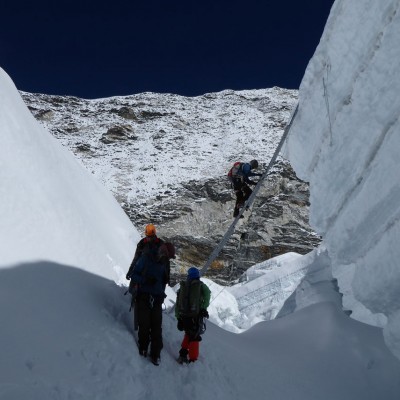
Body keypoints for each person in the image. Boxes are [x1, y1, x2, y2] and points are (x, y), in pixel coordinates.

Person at [129, 243, 171, 366]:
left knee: (156, 327)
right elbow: (134, 275)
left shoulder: (163, 263)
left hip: (157, 299)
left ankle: (155, 353)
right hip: (144, 297)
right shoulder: (145, 259)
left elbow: (162, 283)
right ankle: (143, 347)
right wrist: (145, 280)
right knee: (145, 324)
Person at [175, 267, 211, 364]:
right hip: (195, 315)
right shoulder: (200, 285)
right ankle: (193, 360)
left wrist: (178, 317)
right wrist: (203, 308)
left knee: (188, 333)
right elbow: (207, 294)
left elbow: (178, 303)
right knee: (194, 336)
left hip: (184, 316)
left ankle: (182, 354)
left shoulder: (183, 287)